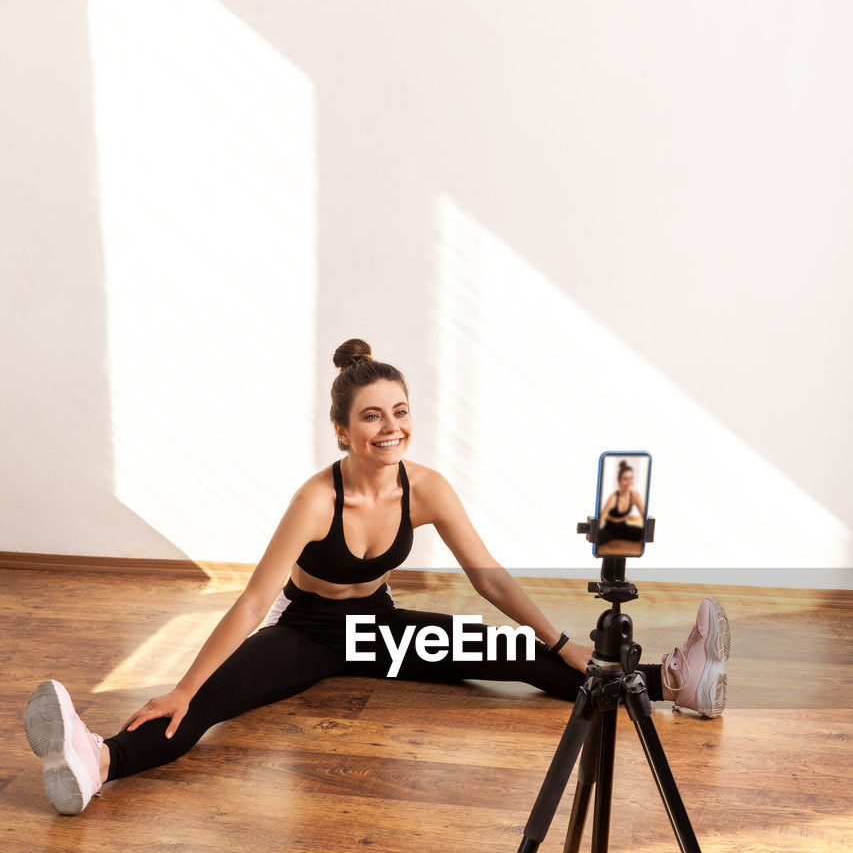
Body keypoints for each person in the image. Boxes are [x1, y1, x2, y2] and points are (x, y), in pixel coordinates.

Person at [25, 339, 730, 816]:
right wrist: (184, 684)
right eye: (371, 417)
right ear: (341, 430)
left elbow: (488, 579)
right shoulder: (314, 499)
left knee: (530, 660)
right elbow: (251, 602)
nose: (389, 427)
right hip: (304, 633)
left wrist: (558, 637)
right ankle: (99, 762)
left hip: (379, 631)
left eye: (398, 412)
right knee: (201, 708)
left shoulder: (426, 488)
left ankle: (673, 681)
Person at [596, 459, 646, 548]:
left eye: (631, 478)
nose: (629, 482)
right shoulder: (613, 498)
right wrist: (595, 532)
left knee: (643, 533)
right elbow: (601, 519)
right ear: (619, 482)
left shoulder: (635, 496)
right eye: (625, 479)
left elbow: (644, 516)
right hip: (610, 529)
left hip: (624, 527)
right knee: (597, 538)